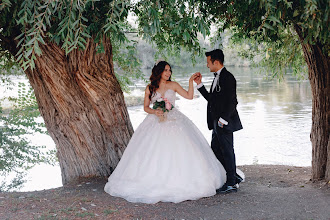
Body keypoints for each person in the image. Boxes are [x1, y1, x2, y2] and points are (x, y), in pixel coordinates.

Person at [104, 61, 227, 204]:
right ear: (159, 72)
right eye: (166, 70)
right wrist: (155, 111)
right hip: (155, 121)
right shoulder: (150, 88)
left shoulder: (173, 85)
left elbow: (189, 96)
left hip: (174, 120)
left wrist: (190, 82)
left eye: (170, 70)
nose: (168, 73)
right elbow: (145, 107)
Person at [194, 49, 243, 193]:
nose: (207, 65)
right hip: (216, 123)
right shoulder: (217, 77)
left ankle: (232, 183)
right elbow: (212, 100)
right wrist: (200, 85)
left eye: (208, 62)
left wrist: (223, 120)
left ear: (216, 62)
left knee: (227, 151)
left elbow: (232, 102)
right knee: (215, 150)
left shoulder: (228, 77)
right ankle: (232, 176)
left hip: (223, 122)